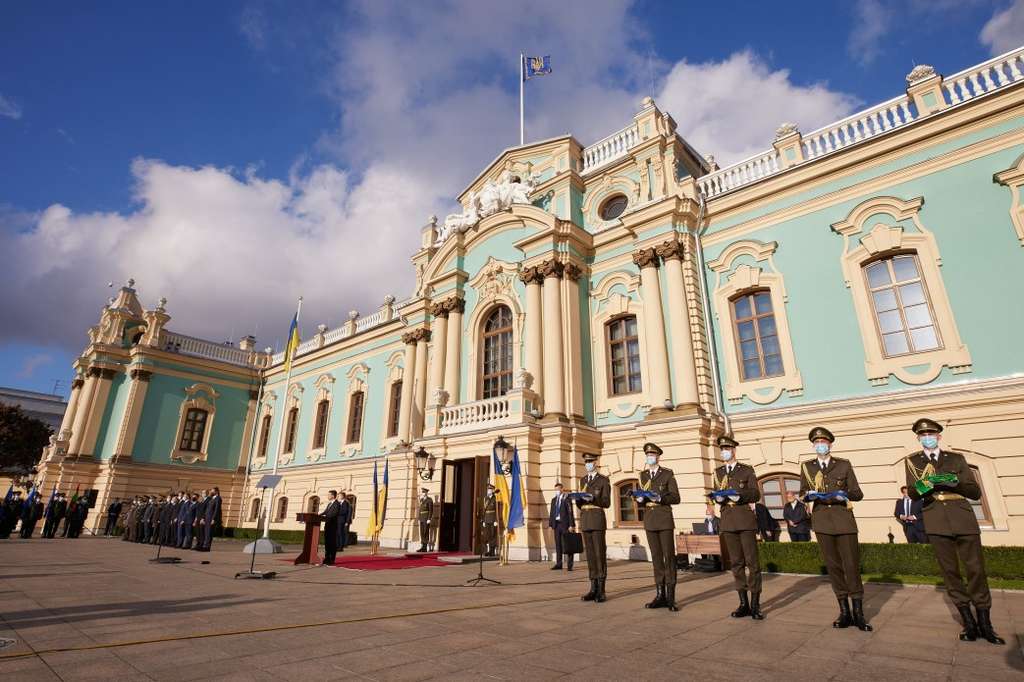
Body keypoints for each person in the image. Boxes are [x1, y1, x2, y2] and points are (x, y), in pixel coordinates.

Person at [905, 418, 1004, 645]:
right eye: (923, 435)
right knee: (950, 572)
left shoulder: (956, 458)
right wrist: (928, 483)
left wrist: (953, 482)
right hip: (936, 519)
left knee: (976, 570)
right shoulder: (912, 461)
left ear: (939, 436)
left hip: (962, 517)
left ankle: (985, 623)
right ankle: (968, 623)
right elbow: (913, 493)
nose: (927, 437)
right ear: (919, 439)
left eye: (931, 433)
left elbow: (974, 491)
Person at [800, 426, 870, 632]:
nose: (820, 445)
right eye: (816, 443)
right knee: (834, 567)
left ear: (830, 444)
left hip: (843, 520)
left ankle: (859, 613)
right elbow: (803, 492)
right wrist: (808, 496)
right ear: (813, 446)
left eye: (823, 442)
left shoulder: (843, 465)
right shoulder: (807, 467)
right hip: (822, 521)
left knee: (851, 566)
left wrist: (844, 494)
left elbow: (858, 493)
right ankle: (844, 611)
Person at [710, 435, 764, 620]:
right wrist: (716, 498)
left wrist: (738, 496)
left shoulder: (746, 470)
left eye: (727, 449)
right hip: (728, 520)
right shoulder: (717, 473)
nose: (724, 452)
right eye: (722, 449)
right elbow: (716, 492)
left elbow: (755, 494)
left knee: (752, 563)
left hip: (745, 519)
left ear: (734, 450)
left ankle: (756, 604)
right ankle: (743, 603)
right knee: (736, 564)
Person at [639, 442, 681, 611]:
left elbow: (676, 497)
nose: (650, 457)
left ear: (658, 456)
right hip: (650, 519)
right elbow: (642, 498)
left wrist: (660, 498)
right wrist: (640, 499)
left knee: (668, 557)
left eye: (652, 455)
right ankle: (659, 594)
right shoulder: (642, 476)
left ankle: (671, 597)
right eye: (647, 455)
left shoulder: (667, 474)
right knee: (656, 558)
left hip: (664, 518)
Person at [576, 453, 611, 603]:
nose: (588, 464)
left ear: (596, 463)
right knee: (590, 556)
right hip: (585, 519)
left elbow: (606, 502)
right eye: (586, 462)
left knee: (599, 554)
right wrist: (578, 499)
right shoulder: (583, 480)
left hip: (597, 519)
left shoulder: (603, 480)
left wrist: (593, 498)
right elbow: (580, 504)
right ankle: (593, 587)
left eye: (590, 461)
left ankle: (601, 590)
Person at [547, 482, 575, 571]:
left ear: (562, 489)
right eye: (555, 490)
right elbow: (551, 513)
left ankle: (570, 565)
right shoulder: (553, 500)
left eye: (558, 489)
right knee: (558, 544)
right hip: (556, 525)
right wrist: (550, 525)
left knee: (568, 544)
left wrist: (571, 525)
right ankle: (559, 564)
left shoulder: (567, 499)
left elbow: (570, 512)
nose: (557, 491)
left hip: (565, 525)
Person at [478, 483, 499, 557]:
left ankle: (492, 551)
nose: (488, 491)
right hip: (486, 518)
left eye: (490, 489)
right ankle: (488, 550)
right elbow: (484, 510)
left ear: (493, 490)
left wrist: (496, 520)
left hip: (493, 518)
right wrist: (483, 520)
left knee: (493, 535)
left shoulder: (495, 499)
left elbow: (497, 510)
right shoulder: (485, 499)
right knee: (487, 535)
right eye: (488, 489)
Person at [321, 490, 341, 566]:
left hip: (332, 526)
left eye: (329, 495)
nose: (328, 496)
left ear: (333, 496)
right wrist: (318, 516)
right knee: (327, 543)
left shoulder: (337, 504)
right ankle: (326, 558)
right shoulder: (329, 504)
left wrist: (326, 517)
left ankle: (331, 559)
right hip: (327, 525)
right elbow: (325, 512)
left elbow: (334, 514)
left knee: (332, 543)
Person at [201, 487, 222, 551]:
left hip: (211, 518)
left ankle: (207, 547)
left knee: (209, 533)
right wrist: (203, 518)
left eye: (212, 491)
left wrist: (214, 519)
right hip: (207, 517)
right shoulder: (211, 498)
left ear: (216, 491)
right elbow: (207, 509)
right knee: (206, 532)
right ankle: (204, 545)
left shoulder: (218, 499)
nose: (211, 492)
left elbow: (216, 509)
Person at [416, 488, 433, 552]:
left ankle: (425, 547)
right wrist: (419, 518)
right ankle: (422, 546)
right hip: (421, 518)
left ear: (426, 493)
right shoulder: (421, 500)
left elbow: (431, 510)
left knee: (426, 532)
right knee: (422, 532)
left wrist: (429, 518)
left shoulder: (429, 500)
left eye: (424, 492)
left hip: (426, 518)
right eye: (422, 492)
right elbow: (420, 510)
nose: (423, 493)